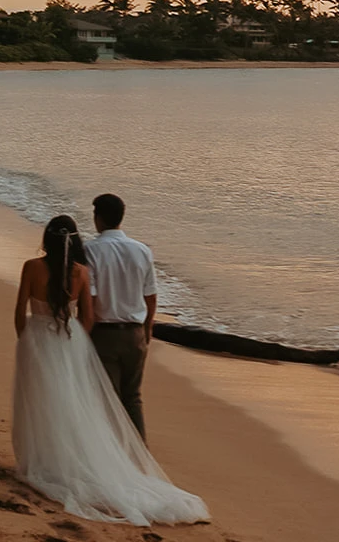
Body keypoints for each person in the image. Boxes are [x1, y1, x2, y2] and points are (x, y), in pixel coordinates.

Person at [11, 214, 207, 525]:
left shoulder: (31, 267)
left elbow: (20, 311)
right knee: (73, 404)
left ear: (47, 238)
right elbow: (87, 317)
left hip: (38, 338)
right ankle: (74, 460)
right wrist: (77, 341)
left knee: (39, 401)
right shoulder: (81, 272)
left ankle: (42, 462)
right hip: (70, 340)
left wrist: (27, 338)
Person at [84, 192, 157, 438]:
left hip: (105, 332)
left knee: (107, 398)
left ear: (98, 218)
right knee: (133, 398)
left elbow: (91, 299)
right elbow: (151, 296)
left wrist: (85, 332)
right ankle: (139, 452)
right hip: (135, 332)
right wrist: (147, 328)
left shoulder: (91, 250)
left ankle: (110, 453)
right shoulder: (142, 250)